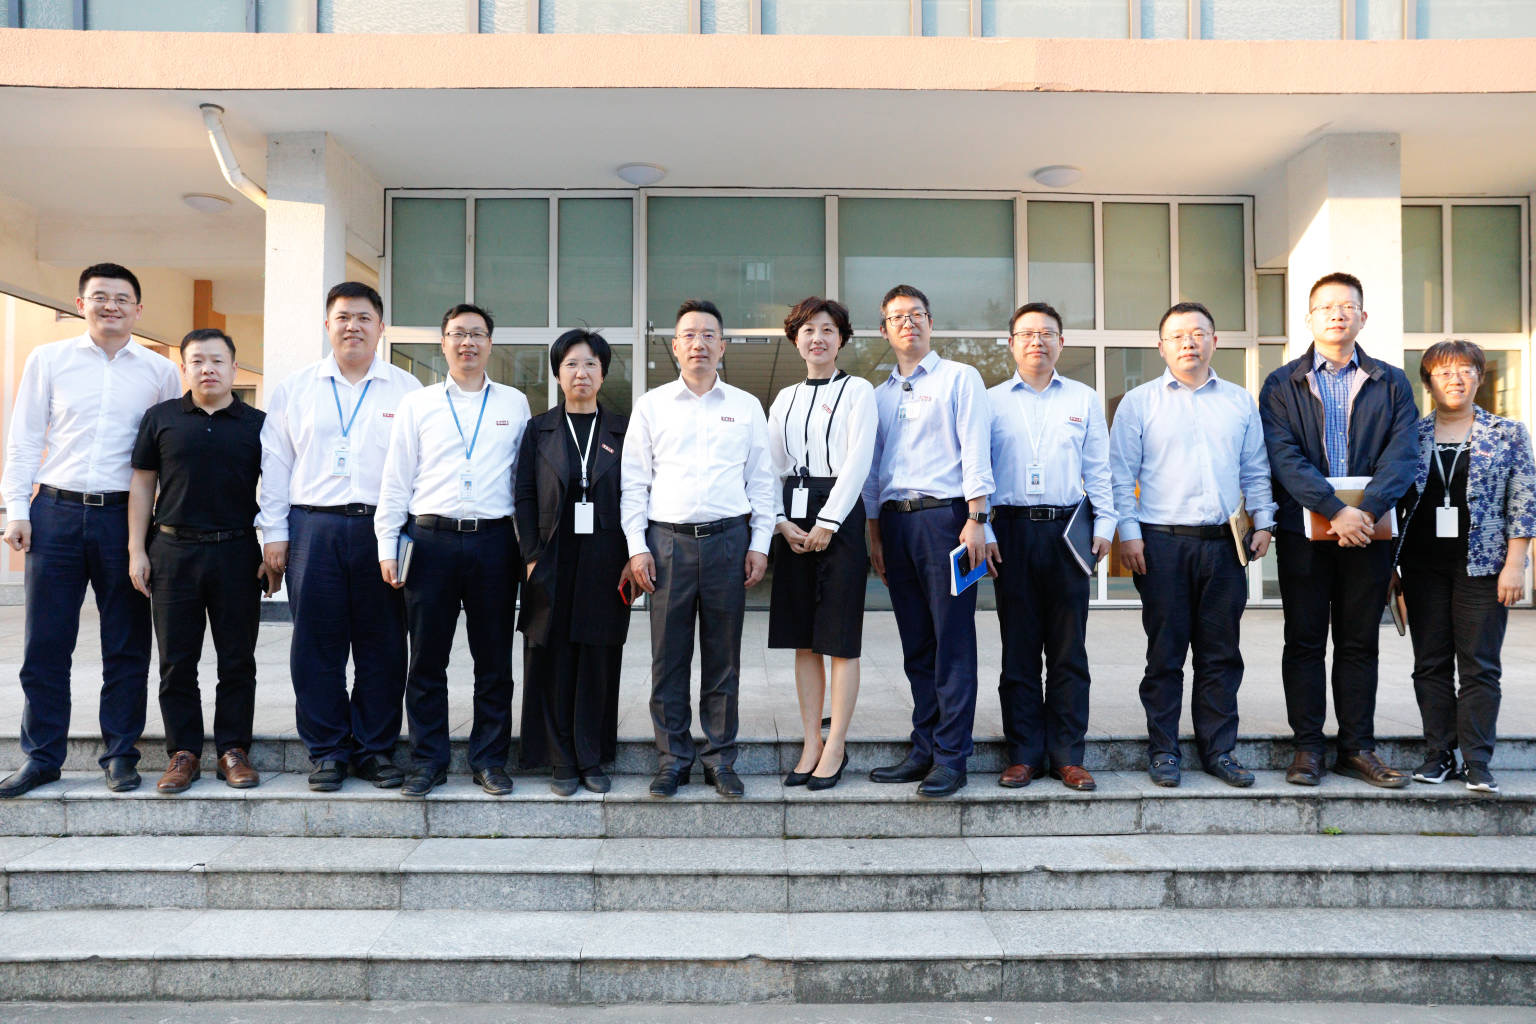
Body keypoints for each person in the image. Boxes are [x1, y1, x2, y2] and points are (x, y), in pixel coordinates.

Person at [0, 264, 181, 798]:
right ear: (80, 304)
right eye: (100, 296)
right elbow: (24, 438)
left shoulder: (159, 371)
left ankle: (120, 754)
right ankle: (41, 757)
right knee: (46, 643)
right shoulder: (49, 359)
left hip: (124, 518)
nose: (111, 306)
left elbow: (164, 455)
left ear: (138, 310)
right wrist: (16, 509)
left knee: (126, 643)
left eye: (122, 298)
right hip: (55, 512)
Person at [258, 282, 422, 792]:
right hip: (314, 527)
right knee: (316, 645)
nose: (354, 326)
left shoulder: (407, 390)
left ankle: (374, 749)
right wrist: (274, 532)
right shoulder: (296, 388)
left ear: (381, 327)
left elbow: (419, 467)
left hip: (383, 529)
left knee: (384, 644)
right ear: (327, 325)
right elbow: (276, 463)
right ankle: (327, 750)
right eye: (344, 317)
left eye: (364, 317)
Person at [1259, 271, 1419, 788]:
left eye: (1346, 306)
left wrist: (1364, 513)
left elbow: (1403, 454)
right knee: (1304, 642)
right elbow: (1283, 456)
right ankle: (1308, 748)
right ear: (1309, 318)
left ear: (1362, 317)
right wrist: (1334, 510)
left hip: (1369, 535)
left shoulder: (1391, 382)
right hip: (1304, 534)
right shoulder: (1281, 383)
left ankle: (1357, 748)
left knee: (1359, 644)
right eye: (1326, 307)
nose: (1336, 314)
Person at [1109, 302, 1275, 789]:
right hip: (1161, 545)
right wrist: (1129, 534)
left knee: (1221, 654)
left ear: (1214, 341)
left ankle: (1219, 751)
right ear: (1160, 346)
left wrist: (1264, 522)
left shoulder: (1239, 402)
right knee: (1165, 655)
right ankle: (1163, 751)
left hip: (1224, 545)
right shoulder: (1139, 402)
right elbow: (1120, 476)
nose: (1189, 342)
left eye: (1199, 333)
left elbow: (1255, 469)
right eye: (1177, 335)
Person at [621, 299, 775, 799]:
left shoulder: (745, 406)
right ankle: (672, 759)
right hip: (667, 544)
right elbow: (634, 484)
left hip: (729, 540)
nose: (699, 343)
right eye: (689, 335)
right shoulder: (652, 406)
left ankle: (720, 758)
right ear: (674, 346)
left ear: (722, 346)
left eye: (709, 335)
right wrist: (637, 547)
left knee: (723, 657)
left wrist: (760, 543)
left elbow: (762, 482)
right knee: (668, 657)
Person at [376, 303, 530, 798]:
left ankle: (489, 760)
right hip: (431, 541)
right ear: (443, 343)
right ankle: (428, 761)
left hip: (494, 542)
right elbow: (396, 478)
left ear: (490, 343)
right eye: (458, 334)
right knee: (426, 659)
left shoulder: (514, 403)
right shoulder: (418, 404)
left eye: (477, 334)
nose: (468, 342)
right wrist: (386, 545)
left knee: (494, 660)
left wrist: (527, 550)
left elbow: (522, 483)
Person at [127, 329, 277, 792]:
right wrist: (136, 549)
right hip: (172, 551)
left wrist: (273, 550)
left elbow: (277, 489)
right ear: (184, 369)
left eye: (217, 360)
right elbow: (142, 484)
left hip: (237, 552)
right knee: (176, 661)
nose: (207, 369)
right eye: (197, 361)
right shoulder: (161, 418)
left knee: (238, 659)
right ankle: (183, 753)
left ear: (234, 367)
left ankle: (234, 751)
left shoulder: (259, 423)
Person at [863, 285, 993, 799]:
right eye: (897, 317)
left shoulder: (960, 378)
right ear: (884, 330)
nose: (908, 323)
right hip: (896, 525)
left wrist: (977, 517)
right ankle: (924, 747)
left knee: (952, 641)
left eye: (916, 314)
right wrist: (875, 531)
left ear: (930, 323)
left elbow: (976, 450)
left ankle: (952, 756)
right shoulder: (879, 396)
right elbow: (874, 471)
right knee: (916, 642)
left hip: (950, 521)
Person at [983, 301, 1116, 792]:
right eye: (1026, 334)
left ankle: (1066, 755)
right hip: (1010, 532)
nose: (1036, 341)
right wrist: (985, 530)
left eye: (1046, 333)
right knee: (1018, 648)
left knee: (1068, 650)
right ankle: (1023, 754)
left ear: (1062, 342)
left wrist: (1106, 524)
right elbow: (978, 471)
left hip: (1068, 532)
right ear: (1011, 343)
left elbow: (1098, 470)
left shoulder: (1083, 397)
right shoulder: (990, 401)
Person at [1396, 341, 1535, 795]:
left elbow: (1523, 500)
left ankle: (1477, 761)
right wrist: (1390, 566)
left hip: (1484, 565)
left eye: (1464, 370)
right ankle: (1438, 754)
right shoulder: (1410, 435)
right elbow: (1393, 503)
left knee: (1479, 665)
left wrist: (1515, 564)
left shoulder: (1507, 433)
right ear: (1428, 382)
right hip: (1421, 567)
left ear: (1479, 376)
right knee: (1430, 664)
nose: (1454, 379)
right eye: (1443, 372)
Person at [765, 297, 877, 791]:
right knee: (804, 638)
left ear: (841, 339)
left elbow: (859, 460)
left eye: (828, 329)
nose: (818, 338)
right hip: (794, 512)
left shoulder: (858, 391)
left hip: (841, 511)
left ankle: (836, 745)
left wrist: (829, 520)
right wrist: (779, 521)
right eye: (808, 330)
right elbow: (769, 466)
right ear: (796, 339)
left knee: (839, 637)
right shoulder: (784, 398)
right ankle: (811, 741)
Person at [515, 329, 631, 796]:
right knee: (553, 656)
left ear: (603, 374)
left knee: (598, 658)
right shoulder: (539, 429)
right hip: (551, 557)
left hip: (607, 559)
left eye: (590, 364)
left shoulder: (623, 430)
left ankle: (591, 755)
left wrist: (633, 555)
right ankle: (559, 757)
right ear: (558, 374)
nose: (581, 373)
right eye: (571, 364)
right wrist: (530, 557)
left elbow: (638, 494)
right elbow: (523, 494)